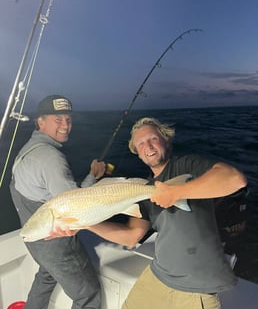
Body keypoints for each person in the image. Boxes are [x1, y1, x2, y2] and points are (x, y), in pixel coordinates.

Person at [51, 117, 247, 309]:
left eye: (153, 138)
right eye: (141, 143)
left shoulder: (187, 166)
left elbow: (235, 179)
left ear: (165, 140)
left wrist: (176, 192)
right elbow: (131, 237)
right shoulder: (145, 188)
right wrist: (84, 224)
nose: (149, 146)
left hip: (197, 286)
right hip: (159, 275)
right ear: (138, 153)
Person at [10, 94, 105, 309]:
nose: (65, 125)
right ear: (40, 121)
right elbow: (78, 207)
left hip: (35, 240)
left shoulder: (27, 150)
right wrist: (93, 175)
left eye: (68, 119)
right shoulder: (51, 158)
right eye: (58, 119)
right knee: (88, 294)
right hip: (56, 245)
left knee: (46, 274)